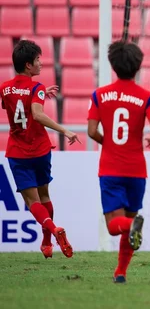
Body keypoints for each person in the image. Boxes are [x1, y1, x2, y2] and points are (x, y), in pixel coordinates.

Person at [87, 41, 150, 283]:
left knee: (114, 226)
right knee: (130, 223)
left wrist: (106, 141)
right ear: (138, 67)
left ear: (112, 64)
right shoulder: (148, 97)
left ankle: (131, 227)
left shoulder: (99, 95)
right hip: (136, 170)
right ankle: (120, 272)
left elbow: (91, 131)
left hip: (110, 168)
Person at [0, 39, 79, 259]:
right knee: (44, 195)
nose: (41, 63)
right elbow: (36, 114)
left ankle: (52, 233)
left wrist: (41, 95)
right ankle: (47, 240)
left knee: (32, 202)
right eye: (37, 60)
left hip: (18, 152)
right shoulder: (37, 87)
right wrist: (65, 131)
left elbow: (13, 106)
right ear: (28, 65)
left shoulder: (4, 87)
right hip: (41, 150)